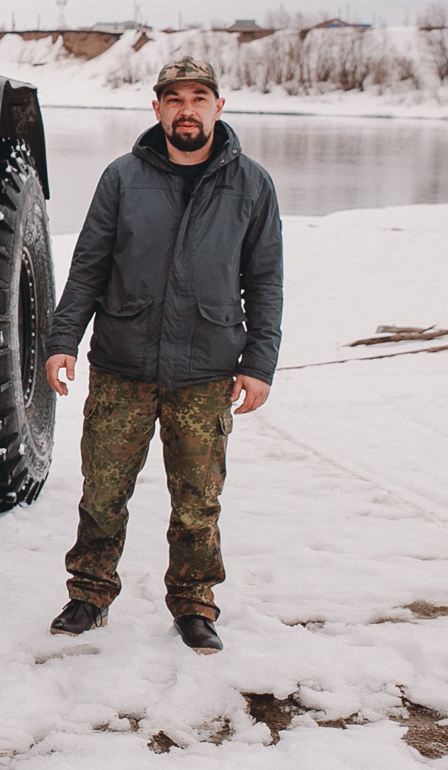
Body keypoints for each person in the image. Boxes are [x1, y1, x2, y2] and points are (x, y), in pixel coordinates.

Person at [43, 57, 283, 654]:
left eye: (199, 97)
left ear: (218, 107)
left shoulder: (251, 184)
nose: (186, 109)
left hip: (205, 369)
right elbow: (89, 267)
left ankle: (195, 604)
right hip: (123, 362)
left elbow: (266, 280)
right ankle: (90, 594)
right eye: (174, 99)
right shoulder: (122, 177)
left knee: (198, 502)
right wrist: (62, 341)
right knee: (102, 492)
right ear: (156, 109)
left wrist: (259, 363)